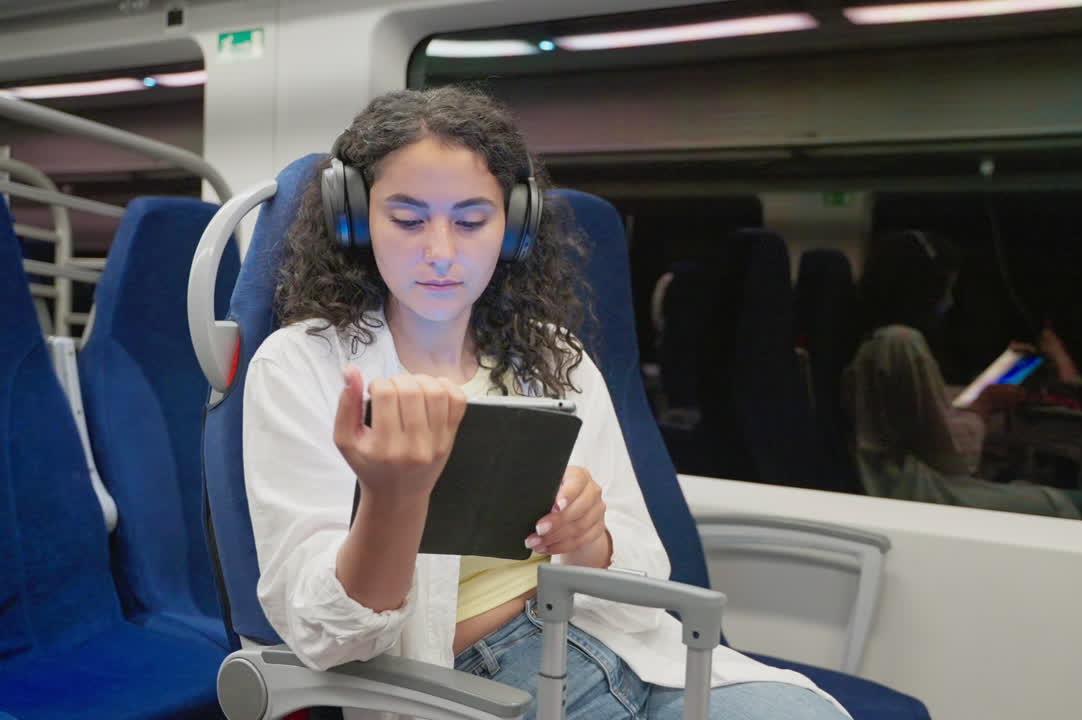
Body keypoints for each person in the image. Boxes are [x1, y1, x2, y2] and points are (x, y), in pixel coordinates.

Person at [242, 87, 847, 720]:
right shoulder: (303, 367)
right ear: (356, 218)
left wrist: (589, 541)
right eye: (409, 220)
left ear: (514, 227)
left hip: (622, 648)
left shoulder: (554, 355)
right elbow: (329, 636)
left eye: (471, 221)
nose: (441, 252)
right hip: (474, 686)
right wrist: (393, 500)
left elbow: (645, 568)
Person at [842, 229, 1082, 523]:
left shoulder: (874, 341)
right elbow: (949, 458)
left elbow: (924, 423)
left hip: (912, 482)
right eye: (947, 288)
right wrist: (985, 405)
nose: (949, 301)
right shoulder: (902, 342)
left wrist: (980, 397)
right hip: (918, 490)